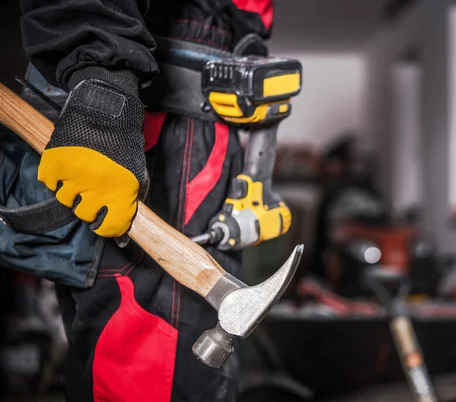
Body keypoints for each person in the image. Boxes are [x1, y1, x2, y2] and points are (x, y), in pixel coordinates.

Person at [18, 1, 274, 400]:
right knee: (139, 368)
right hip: (155, 119)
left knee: (189, 376)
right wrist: (102, 87)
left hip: (206, 131)